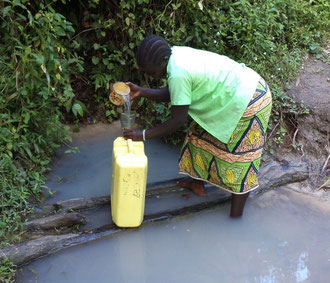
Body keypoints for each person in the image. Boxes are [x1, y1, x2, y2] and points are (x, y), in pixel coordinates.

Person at [123, 35, 272, 218]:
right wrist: (142, 91)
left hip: (249, 98)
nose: (151, 76)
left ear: (163, 60)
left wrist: (143, 135)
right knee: (198, 138)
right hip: (230, 93)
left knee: (240, 159)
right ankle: (197, 184)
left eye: (152, 72)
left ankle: (236, 217)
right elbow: (178, 94)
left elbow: (178, 121)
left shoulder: (177, 72)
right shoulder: (174, 55)